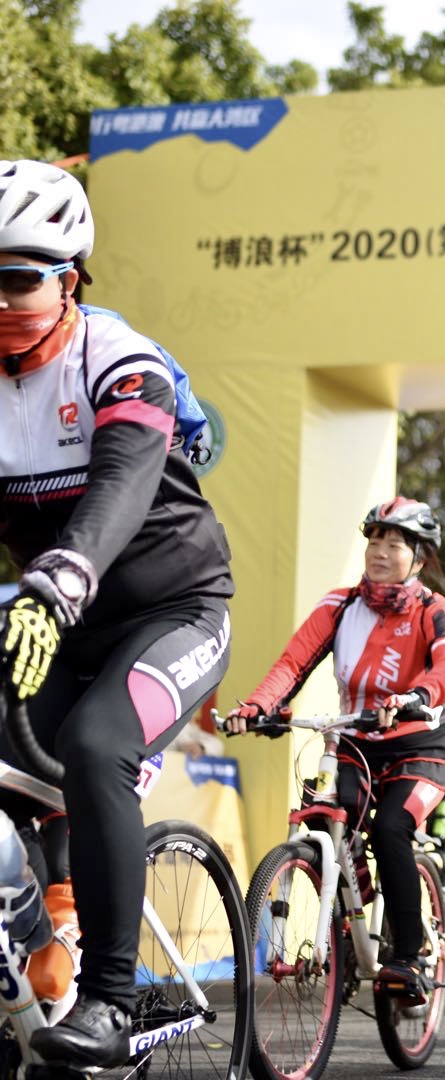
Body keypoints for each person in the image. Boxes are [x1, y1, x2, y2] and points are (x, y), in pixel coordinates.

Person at [0, 159, 235, 1066]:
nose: (0, 299)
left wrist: (61, 576)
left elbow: (121, 488)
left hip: (172, 611)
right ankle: (40, 945)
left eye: (19, 278)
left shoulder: (119, 358)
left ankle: (108, 996)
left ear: (71, 279)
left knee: (98, 746)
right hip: (58, 623)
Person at [227, 497, 445, 1005]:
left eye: (394, 544)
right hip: (356, 739)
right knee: (324, 814)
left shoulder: (434, 610)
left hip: (422, 744)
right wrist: (258, 705)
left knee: (391, 828)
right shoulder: (338, 606)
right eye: (374, 540)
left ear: (420, 557)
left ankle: (409, 955)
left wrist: (416, 697)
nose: (379, 551)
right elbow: (292, 664)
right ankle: (353, 920)